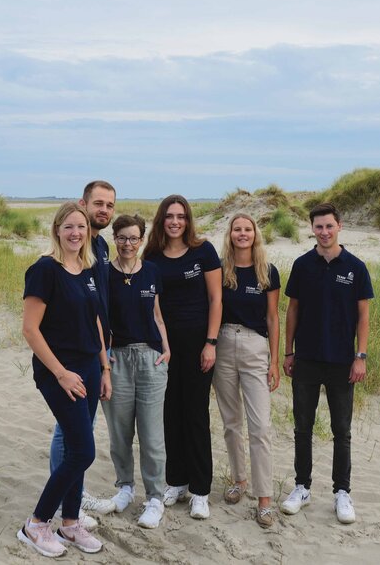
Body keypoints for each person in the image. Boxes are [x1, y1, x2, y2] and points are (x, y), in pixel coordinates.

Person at [17, 202, 112, 557]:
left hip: (89, 367)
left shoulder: (87, 268)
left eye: (81, 227)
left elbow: (96, 321)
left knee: (77, 448)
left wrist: (104, 368)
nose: (75, 233)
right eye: (69, 226)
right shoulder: (45, 270)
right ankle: (35, 524)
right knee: (83, 451)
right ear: (57, 229)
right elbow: (30, 329)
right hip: (59, 372)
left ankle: (70, 524)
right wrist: (60, 373)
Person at [281, 202, 373, 524]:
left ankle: (342, 492)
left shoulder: (356, 267)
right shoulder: (302, 265)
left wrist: (360, 356)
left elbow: (363, 315)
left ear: (339, 226)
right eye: (318, 227)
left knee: (341, 431)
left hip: (342, 362)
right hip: (306, 358)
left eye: (329, 226)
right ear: (312, 229)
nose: (324, 232)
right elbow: (292, 310)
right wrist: (288, 352)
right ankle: (302, 487)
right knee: (302, 428)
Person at [143, 194, 222, 520]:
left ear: (188, 220)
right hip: (163, 347)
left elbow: (216, 299)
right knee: (169, 413)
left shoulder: (203, 251)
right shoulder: (151, 255)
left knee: (195, 414)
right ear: (161, 220)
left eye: (181, 216)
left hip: (198, 346)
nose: (175, 222)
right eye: (169, 216)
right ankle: (176, 480)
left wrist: (211, 343)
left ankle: (200, 490)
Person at [49, 180, 118, 524]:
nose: (104, 210)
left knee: (82, 426)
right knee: (69, 428)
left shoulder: (100, 246)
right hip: (74, 351)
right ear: (83, 203)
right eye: (98, 204)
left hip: (96, 348)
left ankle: (74, 493)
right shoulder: (71, 245)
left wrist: (105, 356)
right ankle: (65, 500)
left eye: (109, 205)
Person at [102, 214, 171, 528]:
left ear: (142, 240)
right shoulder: (104, 273)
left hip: (150, 359)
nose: (127, 244)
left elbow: (157, 314)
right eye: (122, 238)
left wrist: (165, 349)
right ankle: (125, 488)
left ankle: (155, 497)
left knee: (152, 436)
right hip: (116, 359)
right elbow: (98, 319)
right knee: (120, 434)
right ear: (114, 239)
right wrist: (104, 358)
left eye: (133, 238)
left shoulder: (152, 271)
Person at [213, 213, 280, 528]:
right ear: (230, 234)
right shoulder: (220, 270)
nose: (242, 234)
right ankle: (239, 479)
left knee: (260, 426)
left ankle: (264, 498)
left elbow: (273, 318)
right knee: (231, 422)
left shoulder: (267, 271)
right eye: (237, 229)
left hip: (255, 346)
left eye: (247, 229)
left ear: (255, 234)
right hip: (224, 342)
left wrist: (274, 361)